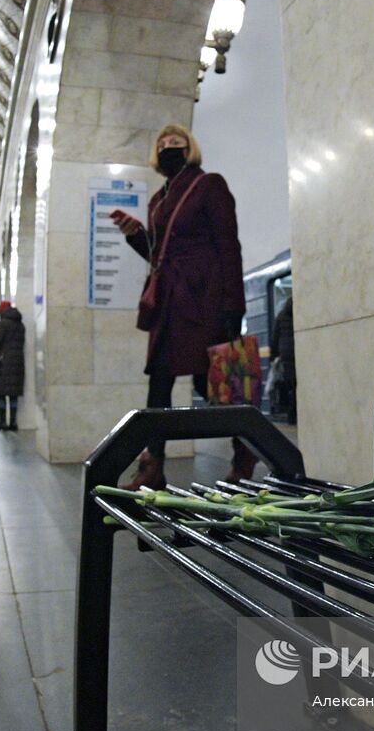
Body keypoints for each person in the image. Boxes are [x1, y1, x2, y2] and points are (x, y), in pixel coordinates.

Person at [109, 124, 250, 489]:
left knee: (211, 382)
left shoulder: (209, 184)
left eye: (178, 143)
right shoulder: (159, 198)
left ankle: (246, 448)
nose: (170, 147)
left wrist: (234, 304)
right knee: (159, 379)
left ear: (190, 150)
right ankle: (152, 465)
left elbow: (228, 245)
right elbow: (158, 255)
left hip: (203, 298)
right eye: (164, 144)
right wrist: (135, 236)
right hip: (168, 301)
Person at [0, 300, 24, 431]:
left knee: (1, 393)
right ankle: (13, 423)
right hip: (18, 363)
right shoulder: (21, 325)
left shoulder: (3, 324)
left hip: (4, 363)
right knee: (13, 394)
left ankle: (2, 422)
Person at [269, 294, 296, 423]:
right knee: (298, 384)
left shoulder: (281, 315)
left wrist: (273, 356)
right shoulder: (299, 313)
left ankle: (291, 415)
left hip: (285, 354)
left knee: (292, 384)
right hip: (298, 350)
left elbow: (275, 337)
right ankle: (293, 414)